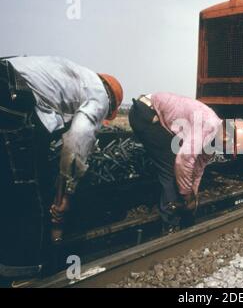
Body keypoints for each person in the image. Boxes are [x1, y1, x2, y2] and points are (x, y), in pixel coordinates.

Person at [0, 56, 123, 244]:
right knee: (26, 189)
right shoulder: (100, 96)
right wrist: (67, 193)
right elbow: (77, 139)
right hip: (11, 94)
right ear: (111, 104)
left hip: (8, 77)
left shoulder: (78, 79)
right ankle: (25, 265)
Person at [128, 93, 222, 232]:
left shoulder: (213, 139)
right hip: (145, 113)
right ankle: (170, 224)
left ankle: (178, 213)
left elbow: (197, 168)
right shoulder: (209, 126)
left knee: (178, 169)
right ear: (226, 138)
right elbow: (182, 161)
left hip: (151, 112)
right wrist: (186, 195)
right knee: (171, 168)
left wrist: (193, 196)